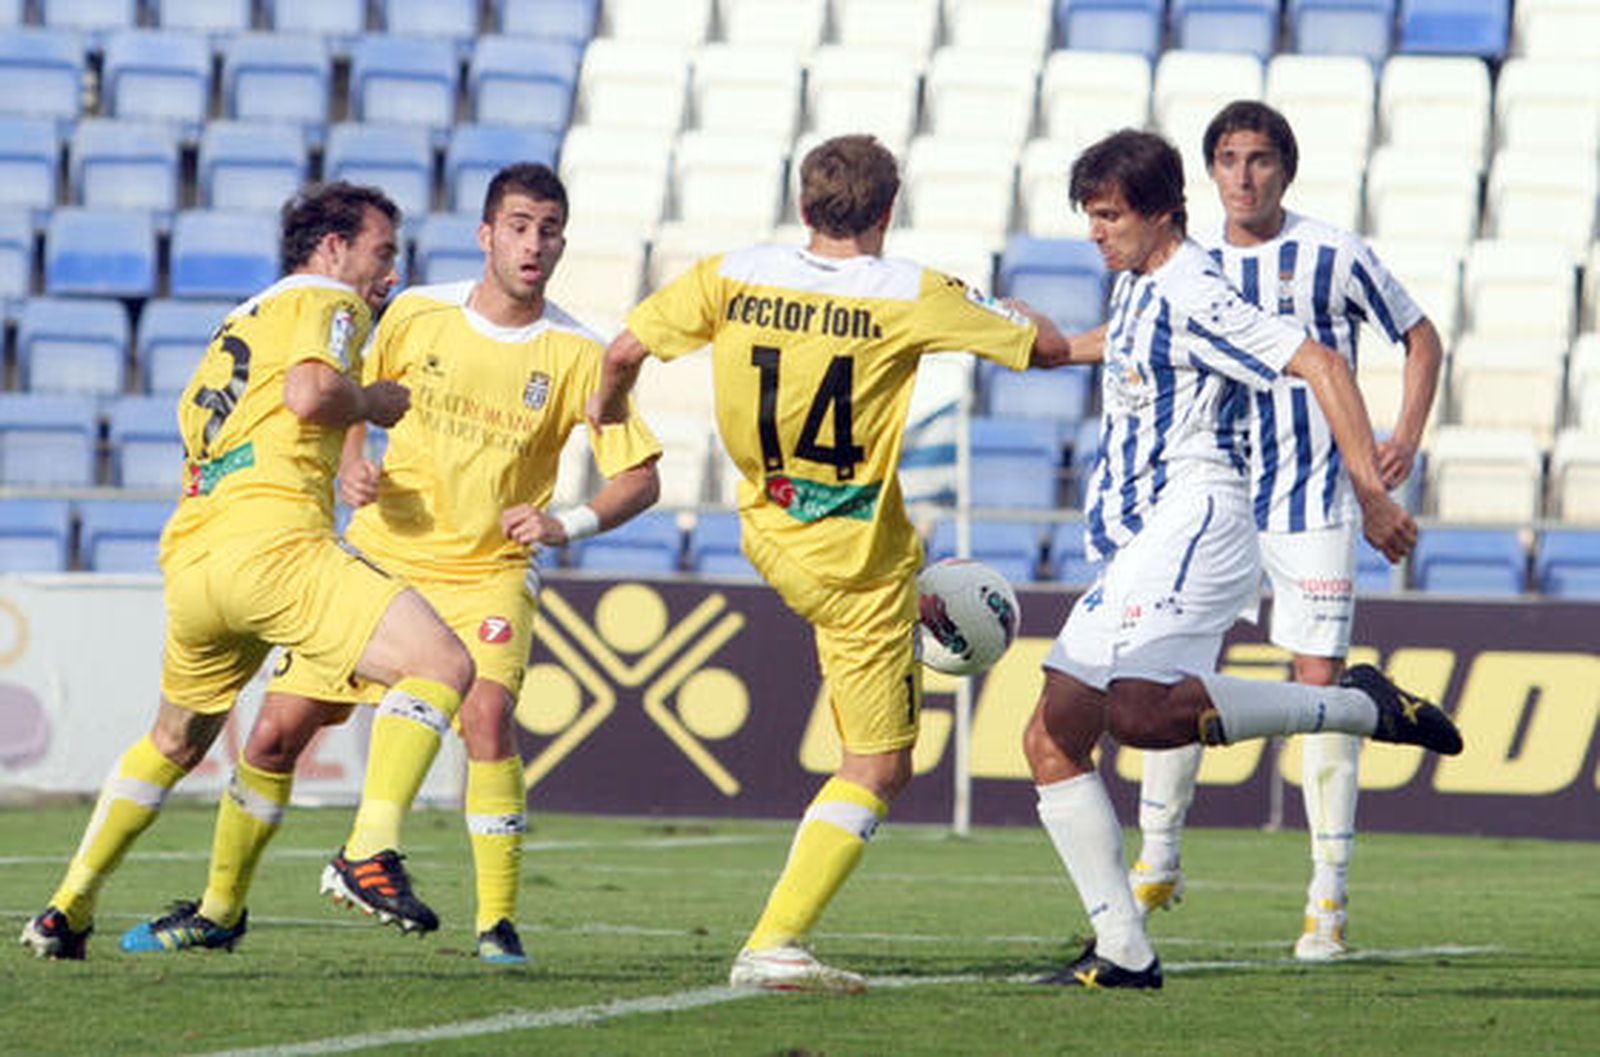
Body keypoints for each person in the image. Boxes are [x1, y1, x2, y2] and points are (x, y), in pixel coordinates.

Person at [115, 163, 663, 963]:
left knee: (484, 712)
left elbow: (641, 476)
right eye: (517, 225)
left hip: (488, 568)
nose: (532, 243)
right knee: (273, 734)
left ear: (563, 242)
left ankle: (494, 920)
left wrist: (566, 520)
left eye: (547, 229)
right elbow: (345, 386)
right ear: (486, 235)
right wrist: (350, 460)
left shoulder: (578, 351)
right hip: (381, 555)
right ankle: (220, 907)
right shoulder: (413, 312)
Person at [590, 133, 1082, 993]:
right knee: (880, 764)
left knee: (893, 587)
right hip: (857, 571)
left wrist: (609, 420)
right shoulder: (911, 292)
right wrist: (1008, 309)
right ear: (887, 211)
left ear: (805, 204)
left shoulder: (733, 272)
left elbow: (620, 355)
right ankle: (774, 942)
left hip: (769, 532)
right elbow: (1042, 348)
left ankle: (779, 937)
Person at [1021, 129, 1461, 990]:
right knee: (1053, 735)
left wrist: (1371, 492)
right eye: (1091, 217)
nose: (1095, 233)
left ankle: (1351, 707)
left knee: (1140, 718)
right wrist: (1047, 346)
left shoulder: (1194, 287)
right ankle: (1124, 948)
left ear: (1159, 215)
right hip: (1137, 539)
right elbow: (1126, 345)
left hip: (1196, 517)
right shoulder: (1145, 282)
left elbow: (1322, 363)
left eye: (1109, 216)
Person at [20, 182, 478, 960]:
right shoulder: (331, 302)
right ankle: (369, 849)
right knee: (441, 662)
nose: (389, 275)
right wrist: (370, 399)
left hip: (196, 558)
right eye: (382, 252)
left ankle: (67, 907)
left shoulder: (239, 321)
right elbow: (310, 394)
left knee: (172, 739)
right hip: (275, 547)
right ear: (332, 248)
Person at [1128, 101, 1444, 962]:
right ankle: (1157, 855)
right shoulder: (1189, 265)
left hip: (1313, 499)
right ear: (1209, 171)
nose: (1242, 175)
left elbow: (1420, 336)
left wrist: (1403, 437)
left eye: (1259, 158)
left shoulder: (1332, 253)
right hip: (1216, 498)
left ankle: (1327, 899)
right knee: (1169, 666)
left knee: (1322, 690)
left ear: (1285, 169)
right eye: (1226, 158)